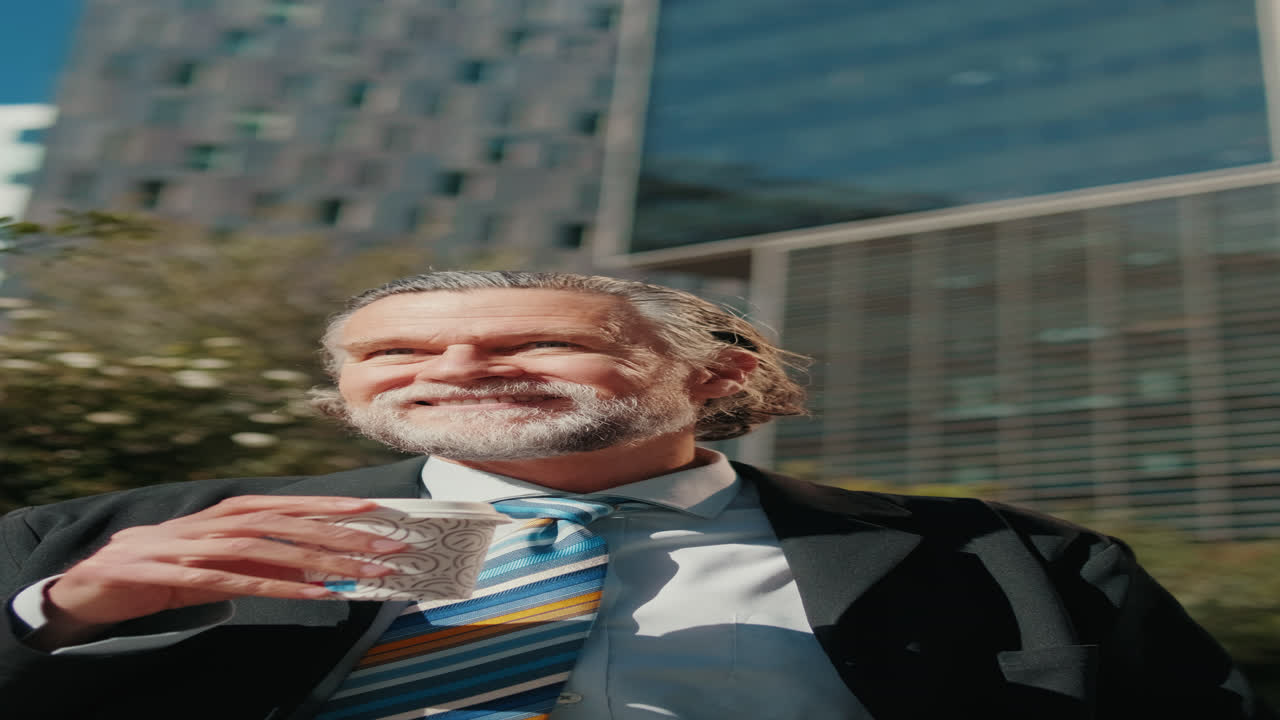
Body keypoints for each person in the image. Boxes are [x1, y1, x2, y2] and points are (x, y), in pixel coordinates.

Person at [0, 270, 1273, 720]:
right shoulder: (98, 539)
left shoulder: (1007, 557)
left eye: (532, 344)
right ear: (344, 399)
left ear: (714, 374)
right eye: (393, 353)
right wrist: (49, 617)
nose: (456, 367)